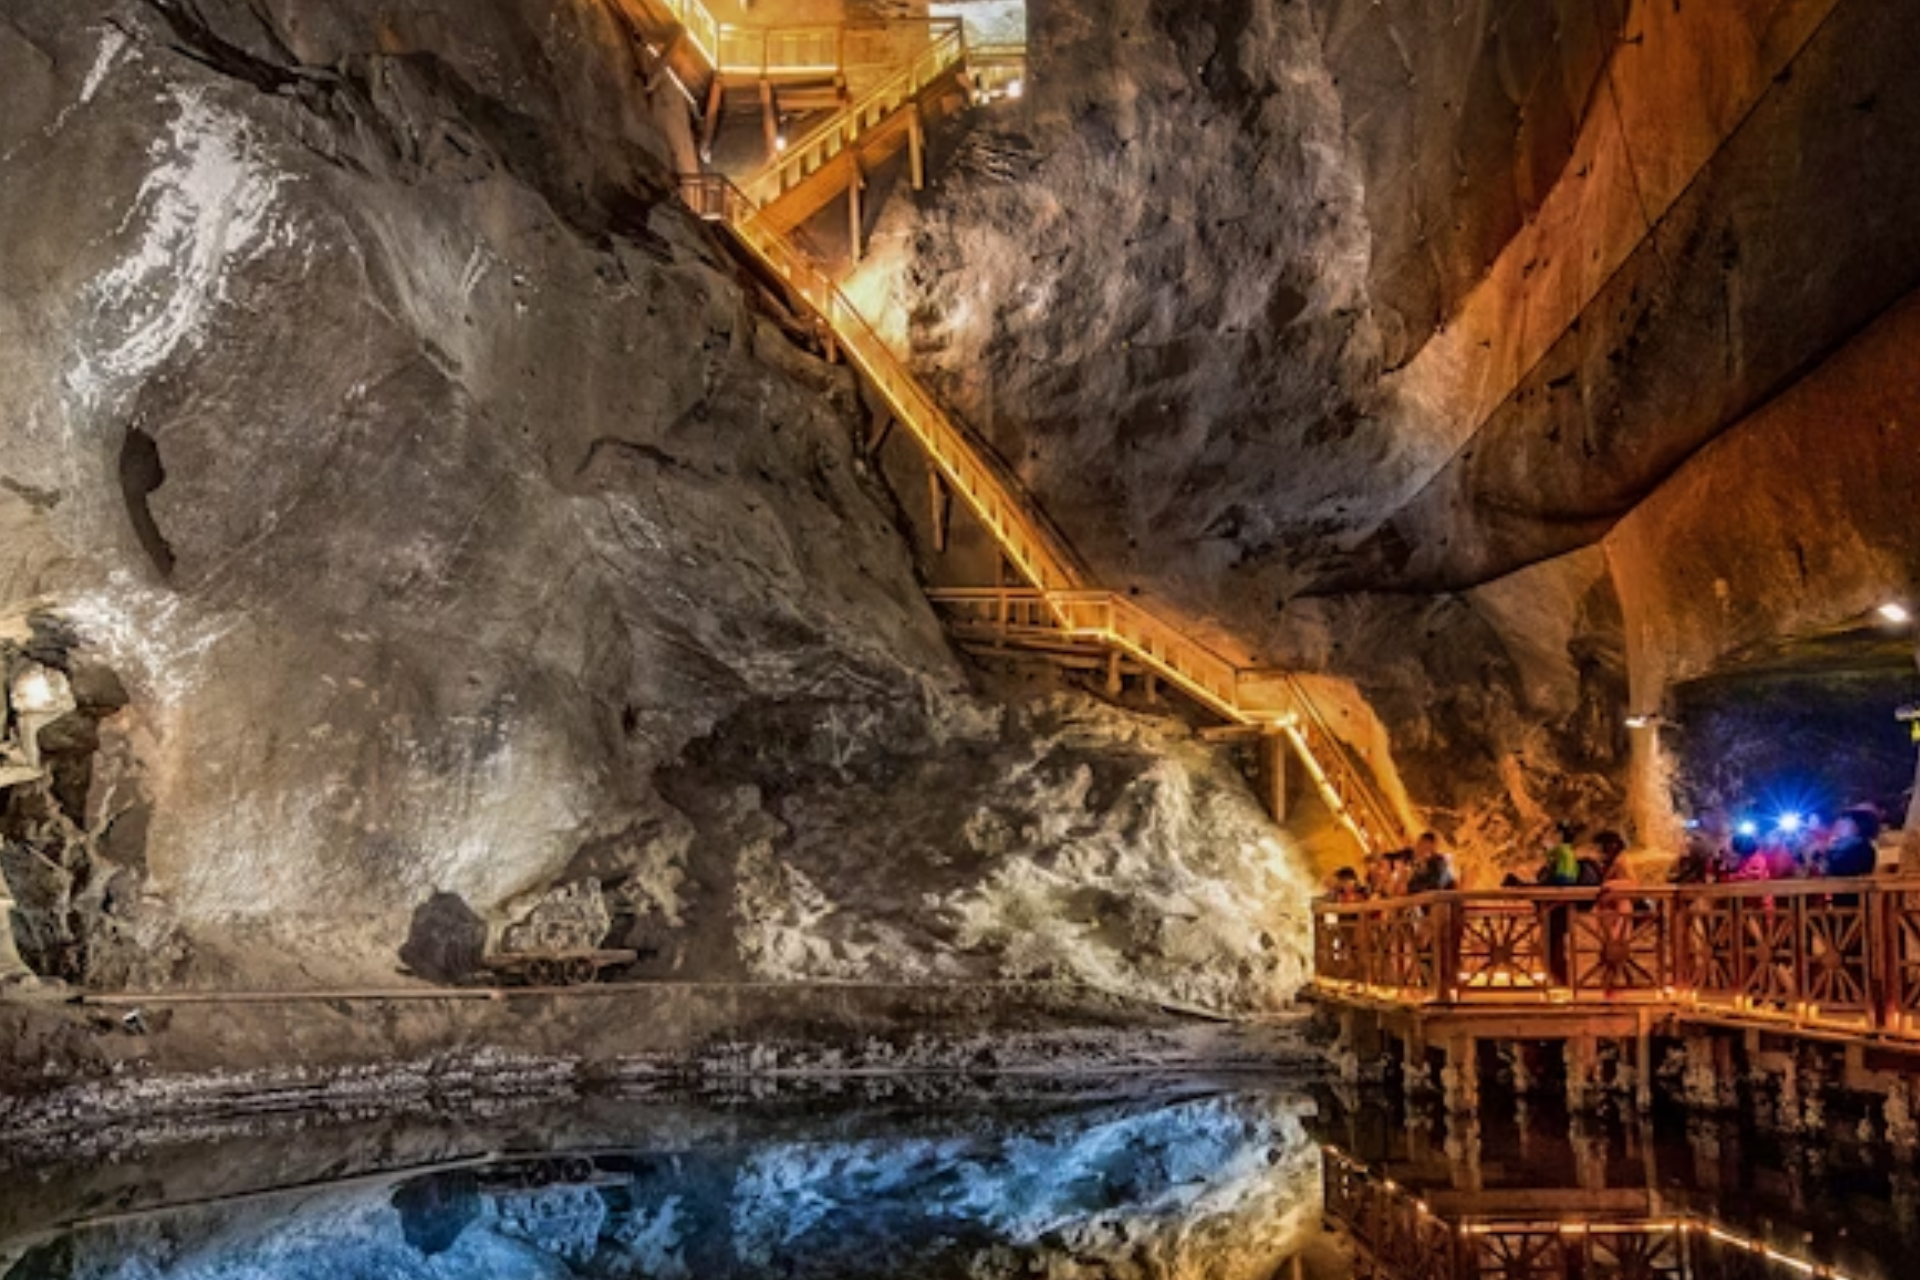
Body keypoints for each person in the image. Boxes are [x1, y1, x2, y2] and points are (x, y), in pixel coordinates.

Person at [1826, 809, 1881, 878]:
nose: (1838, 827)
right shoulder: (1839, 846)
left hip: (1848, 886)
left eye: (1844, 824)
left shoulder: (1862, 849)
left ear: (1858, 827)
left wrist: (1826, 857)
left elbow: (1844, 870)